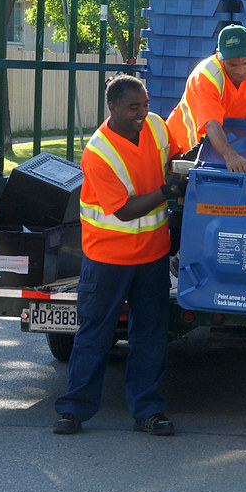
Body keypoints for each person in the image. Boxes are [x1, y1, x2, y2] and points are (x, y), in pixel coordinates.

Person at [53, 75, 186, 436]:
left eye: (145, 104)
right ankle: (74, 410)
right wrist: (165, 191)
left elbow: (176, 154)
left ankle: (148, 410)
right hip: (108, 258)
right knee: (95, 334)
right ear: (112, 108)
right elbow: (125, 211)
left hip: (151, 255)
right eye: (134, 107)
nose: (143, 112)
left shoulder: (156, 126)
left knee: (150, 336)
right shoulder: (98, 153)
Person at [166, 23, 246, 173]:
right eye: (233, 64)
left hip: (228, 141)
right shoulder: (206, 76)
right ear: (219, 55)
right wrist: (230, 155)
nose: (241, 71)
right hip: (187, 147)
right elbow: (212, 125)